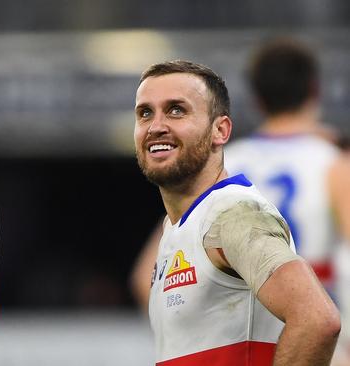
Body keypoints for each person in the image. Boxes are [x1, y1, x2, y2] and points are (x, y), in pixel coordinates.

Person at [134, 60, 339, 365]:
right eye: (145, 113)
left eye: (177, 110)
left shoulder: (233, 214)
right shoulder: (179, 226)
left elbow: (317, 319)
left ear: (220, 130)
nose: (156, 125)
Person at [224, 38, 350, 365]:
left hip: (241, 335)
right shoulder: (334, 164)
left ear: (256, 99)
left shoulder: (223, 166)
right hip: (317, 337)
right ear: (314, 90)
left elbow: (146, 274)